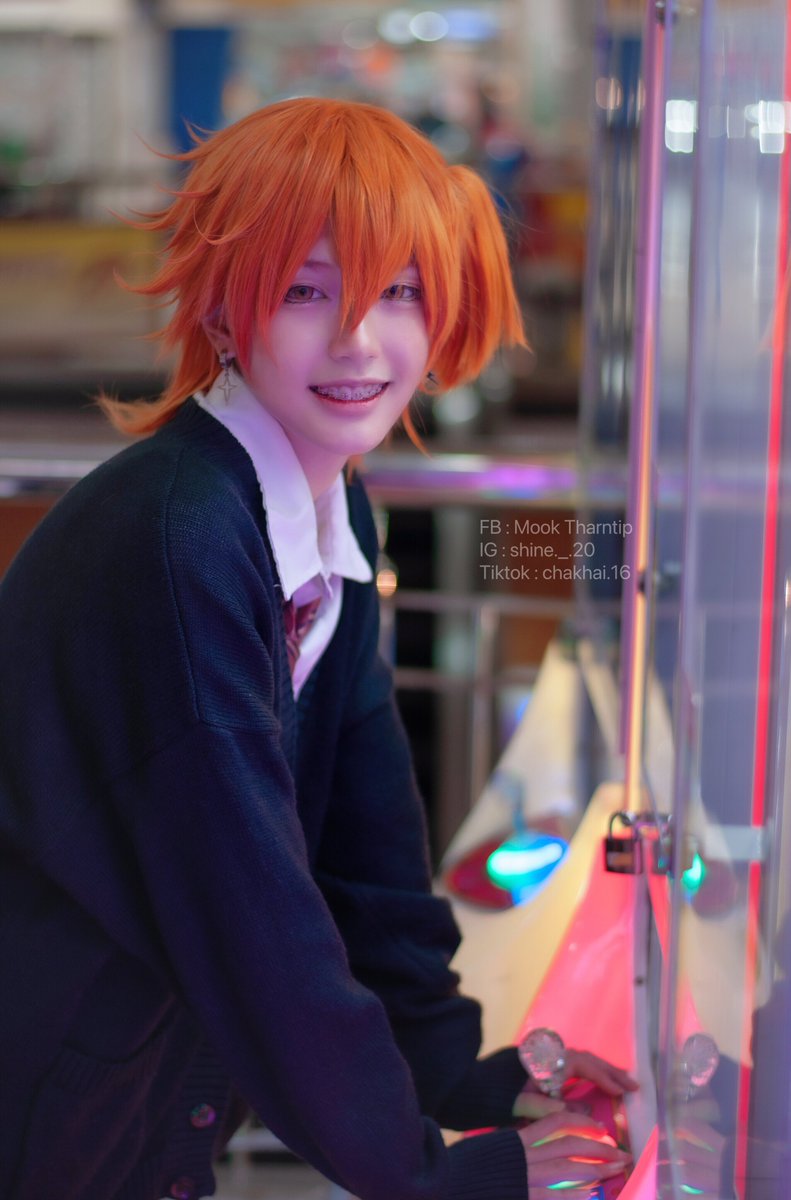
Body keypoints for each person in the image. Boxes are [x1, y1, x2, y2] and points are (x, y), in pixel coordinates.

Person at [0, 97, 635, 1200]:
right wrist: (429, 1175)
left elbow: (361, 847)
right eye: (305, 291)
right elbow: (250, 909)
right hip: (44, 1099)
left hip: (121, 1089)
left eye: (399, 292)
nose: (357, 340)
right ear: (222, 309)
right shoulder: (180, 536)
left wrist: (461, 1080)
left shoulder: (322, 502)